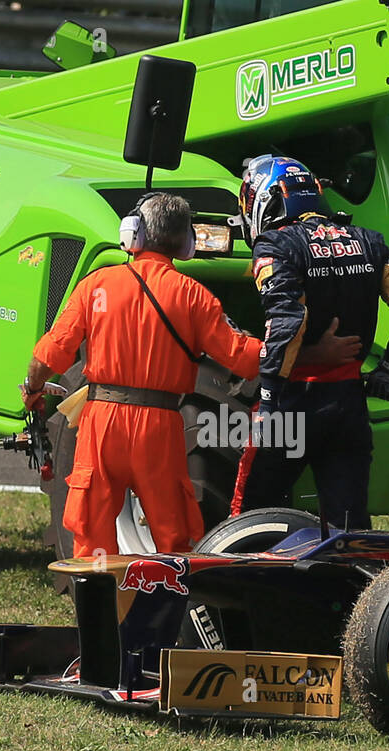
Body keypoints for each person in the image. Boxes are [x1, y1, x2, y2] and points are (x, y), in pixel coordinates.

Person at [21, 192, 261, 557]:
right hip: (160, 428)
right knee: (174, 542)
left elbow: (49, 354)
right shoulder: (194, 296)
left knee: (89, 536)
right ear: (186, 243)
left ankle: (96, 594)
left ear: (134, 233)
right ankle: (166, 594)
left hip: (101, 424)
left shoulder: (96, 285)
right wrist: (297, 347)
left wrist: (33, 389)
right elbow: (244, 358)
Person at [230, 154, 389, 530]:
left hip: (290, 401)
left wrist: (270, 396)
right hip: (348, 405)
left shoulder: (277, 245)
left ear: (266, 198)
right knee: (349, 526)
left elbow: (288, 321)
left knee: (251, 520)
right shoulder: (368, 242)